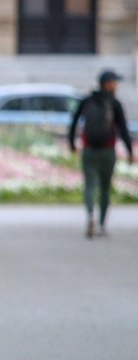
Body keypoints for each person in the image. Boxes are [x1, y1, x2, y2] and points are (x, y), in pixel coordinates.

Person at [68, 69, 134, 238]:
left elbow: (74, 122)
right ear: (108, 83)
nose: (116, 85)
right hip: (107, 150)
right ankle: (102, 225)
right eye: (114, 82)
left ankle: (90, 216)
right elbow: (123, 130)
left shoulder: (87, 100)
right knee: (105, 188)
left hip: (89, 149)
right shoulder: (115, 103)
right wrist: (130, 151)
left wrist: (72, 144)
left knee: (89, 186)